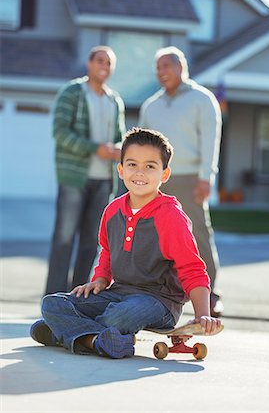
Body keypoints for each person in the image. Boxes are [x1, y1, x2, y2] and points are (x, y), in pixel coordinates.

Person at [30, 128, 222, 359]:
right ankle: (95, 341)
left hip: (157, 302)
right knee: (52, 304)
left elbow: (192, 269)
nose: (139, 172)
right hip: (117, 293)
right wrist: (100, 279)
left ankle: (64, 333)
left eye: (150, 166)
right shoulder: (112, 211)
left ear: (165, 173)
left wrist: (202, 314)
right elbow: (107, 253)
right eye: (132, 164)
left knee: (120, 316)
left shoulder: (171, 216)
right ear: (121, 170)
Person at [139, 46, 223, 316]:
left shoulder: (202, 99)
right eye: (158, 68)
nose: (161, 72)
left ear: (180, 68)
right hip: (157, 180)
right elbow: (142, 144)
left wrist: (205, 178)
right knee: (153, 236)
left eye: (166, 66)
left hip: (190, 178)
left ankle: (211, 295)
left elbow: (211, 140)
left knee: (198, 234)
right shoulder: (151, 105)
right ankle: (155, 293)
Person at [45, 45, 126, 295]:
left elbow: (119, 137)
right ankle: (54, 297)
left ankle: (76, 297)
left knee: (92, 242)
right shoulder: (72, 92)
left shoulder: (115, 101)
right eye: (99, 60)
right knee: (64, 238)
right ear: (89, 64)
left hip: (104, 180)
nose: (104, 66)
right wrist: (95, 149)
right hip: (74, 177)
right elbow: (60, 132)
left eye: (109, 62)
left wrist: (117, 149)